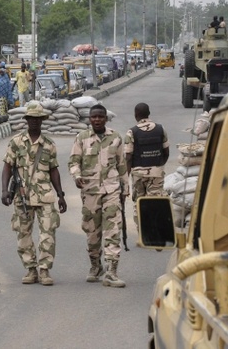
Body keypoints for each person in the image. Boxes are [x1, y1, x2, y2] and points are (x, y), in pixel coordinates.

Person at [1, 103, 67, 286]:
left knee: (48, 232)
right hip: (22, 195)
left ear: (42, 121)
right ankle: (30, 269)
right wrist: (5, 190)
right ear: (27, 120)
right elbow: (7, 166)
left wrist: (61, 194)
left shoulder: (49, 144)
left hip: (45, 195)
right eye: (32, 118)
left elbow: (54, 170)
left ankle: (44, 270)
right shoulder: (16, 142)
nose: (35, 122)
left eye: (38, 119)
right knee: (23, 233)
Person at [68, 104, 129, 288]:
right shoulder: (82, 138)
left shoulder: (115, 138)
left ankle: (112, 271)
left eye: (100, 116)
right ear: (89, 119)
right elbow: (74, 161)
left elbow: (122, 165)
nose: (97, 119)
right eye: (93, 117)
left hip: (111, 190)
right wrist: (77, 176)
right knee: (92, 232)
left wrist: (125, 189)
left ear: (105, 118)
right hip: (90, 191)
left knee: (113, 230)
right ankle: (96, 266)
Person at [123, 103, 169, 233]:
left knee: (139, 202)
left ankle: (143, 232)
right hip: (156, 173)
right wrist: (158, 165)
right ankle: (156, 232)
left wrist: (126, 177)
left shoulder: (132, 132)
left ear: (135, 115)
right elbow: (166, 152)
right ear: (149, 113)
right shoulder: (161, 129)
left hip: (138, 174)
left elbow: (128, 157)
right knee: (155, 202)